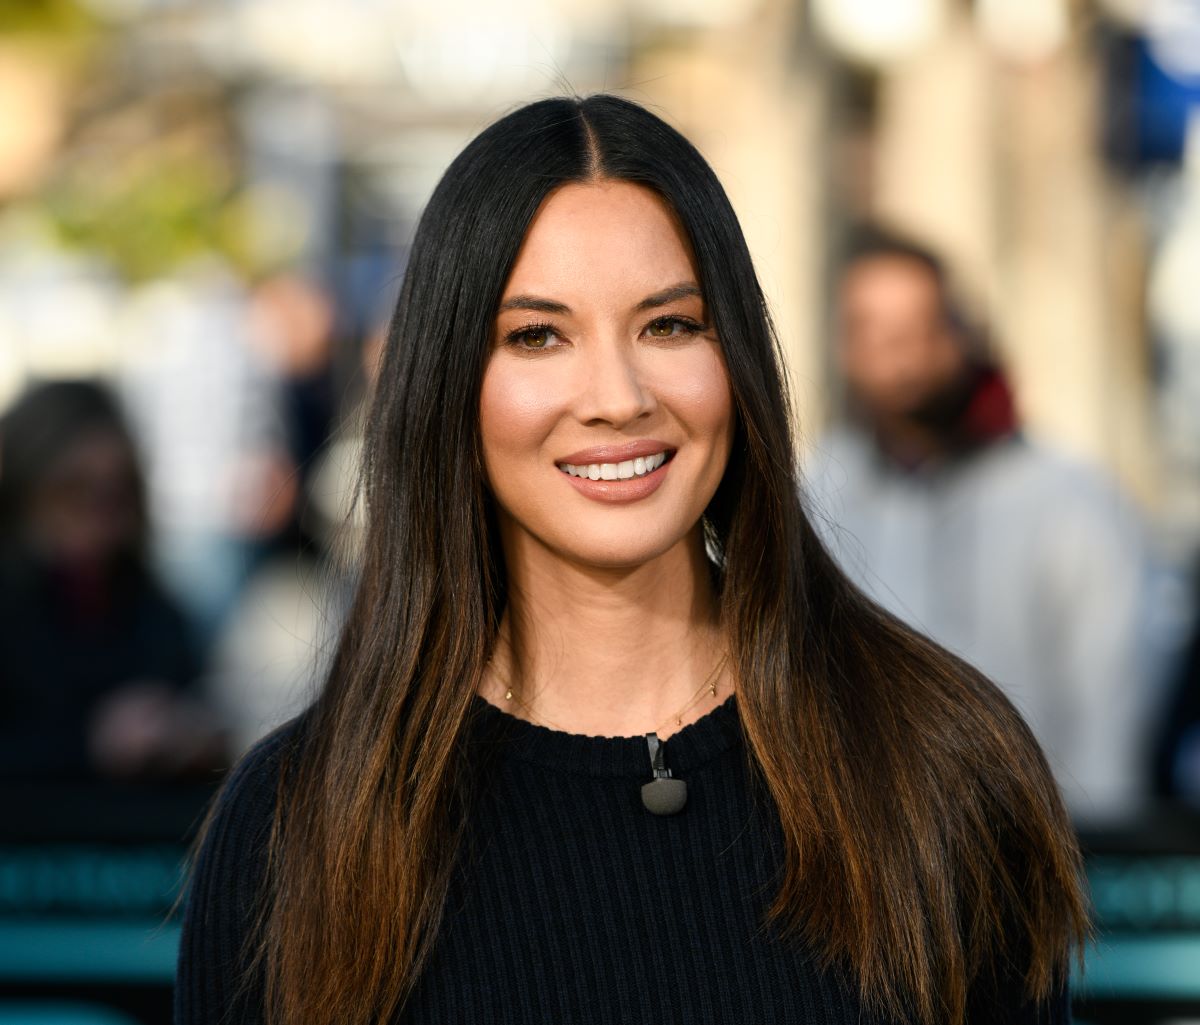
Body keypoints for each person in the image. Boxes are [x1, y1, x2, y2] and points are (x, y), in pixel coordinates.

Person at [175, 96, 1086, 1025]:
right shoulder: (299, 826)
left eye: (669, 325)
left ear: (738, 355)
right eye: (537, 335)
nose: (616, 396)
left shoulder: (940, 764)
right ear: (448, 382)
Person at [804, 231, 1150, 825]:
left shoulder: (1066, 501)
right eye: (872, 332)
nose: (898, 358)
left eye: (916, 328)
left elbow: (1108, 714)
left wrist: (1090, 858)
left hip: (1032, 859)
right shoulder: (820, 490)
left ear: (961, 330)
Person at [0, 379, 224, 780]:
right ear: (25, 491)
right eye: (73, 490)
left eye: (115, 494)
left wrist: (190, 738)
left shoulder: (153, 610)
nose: (97, 517)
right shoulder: (16, 609)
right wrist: (88, 743)